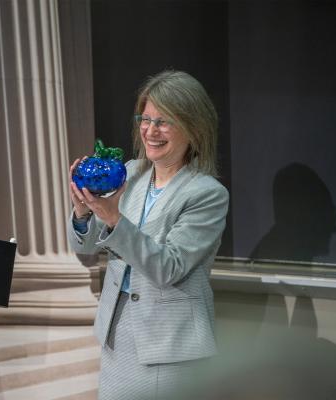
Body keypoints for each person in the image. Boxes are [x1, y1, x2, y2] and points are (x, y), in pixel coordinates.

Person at [68, 70, 229, 399]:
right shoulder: (130, 173)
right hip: (118, 331)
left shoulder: (207, 194)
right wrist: (84, 212)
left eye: (164, 122)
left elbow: (168, 268)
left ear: (193, 127)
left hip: (170, 345)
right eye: (146, 119)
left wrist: (113, 219)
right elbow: (86, 252)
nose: (150, 131)